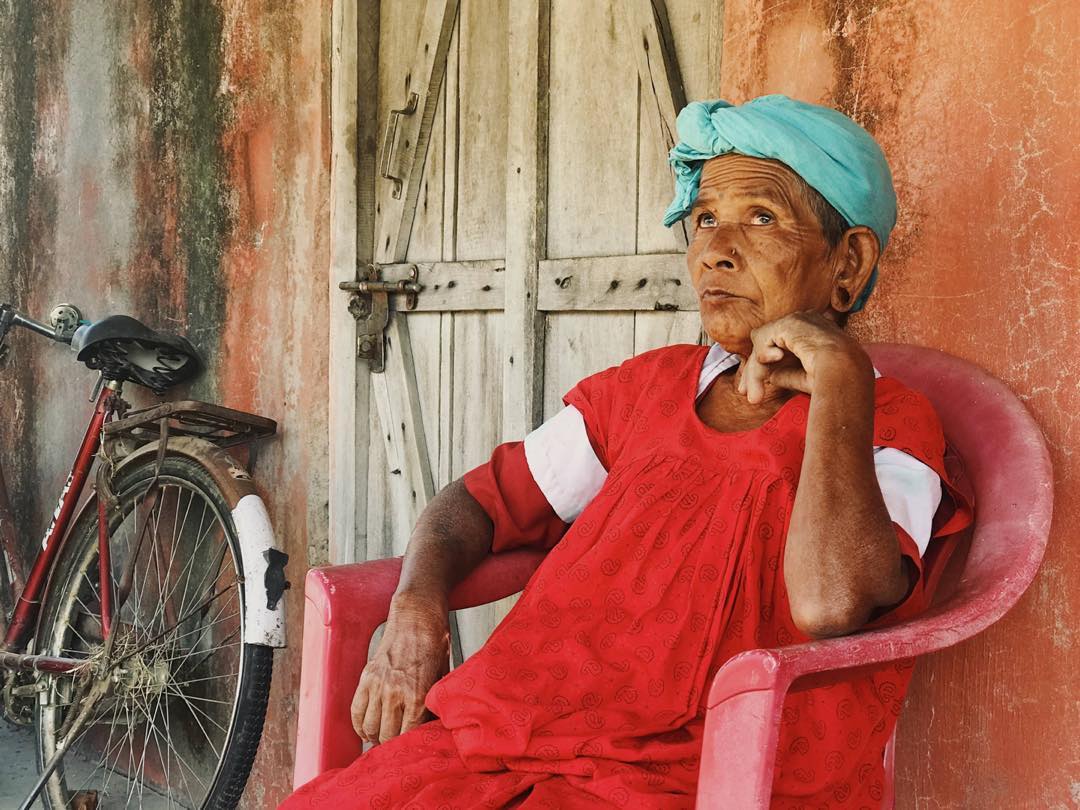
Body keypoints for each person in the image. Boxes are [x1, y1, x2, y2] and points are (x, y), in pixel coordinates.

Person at [282, 95, 971, 809]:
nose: (715, 249)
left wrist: (840, 384)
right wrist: (417, 607)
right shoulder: (647, 390)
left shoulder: (890, 422)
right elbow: (478, 504)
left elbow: (832, 603)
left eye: (761, 218)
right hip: (504, 743)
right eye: (704, 219)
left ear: (848, 263)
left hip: (698, 780)